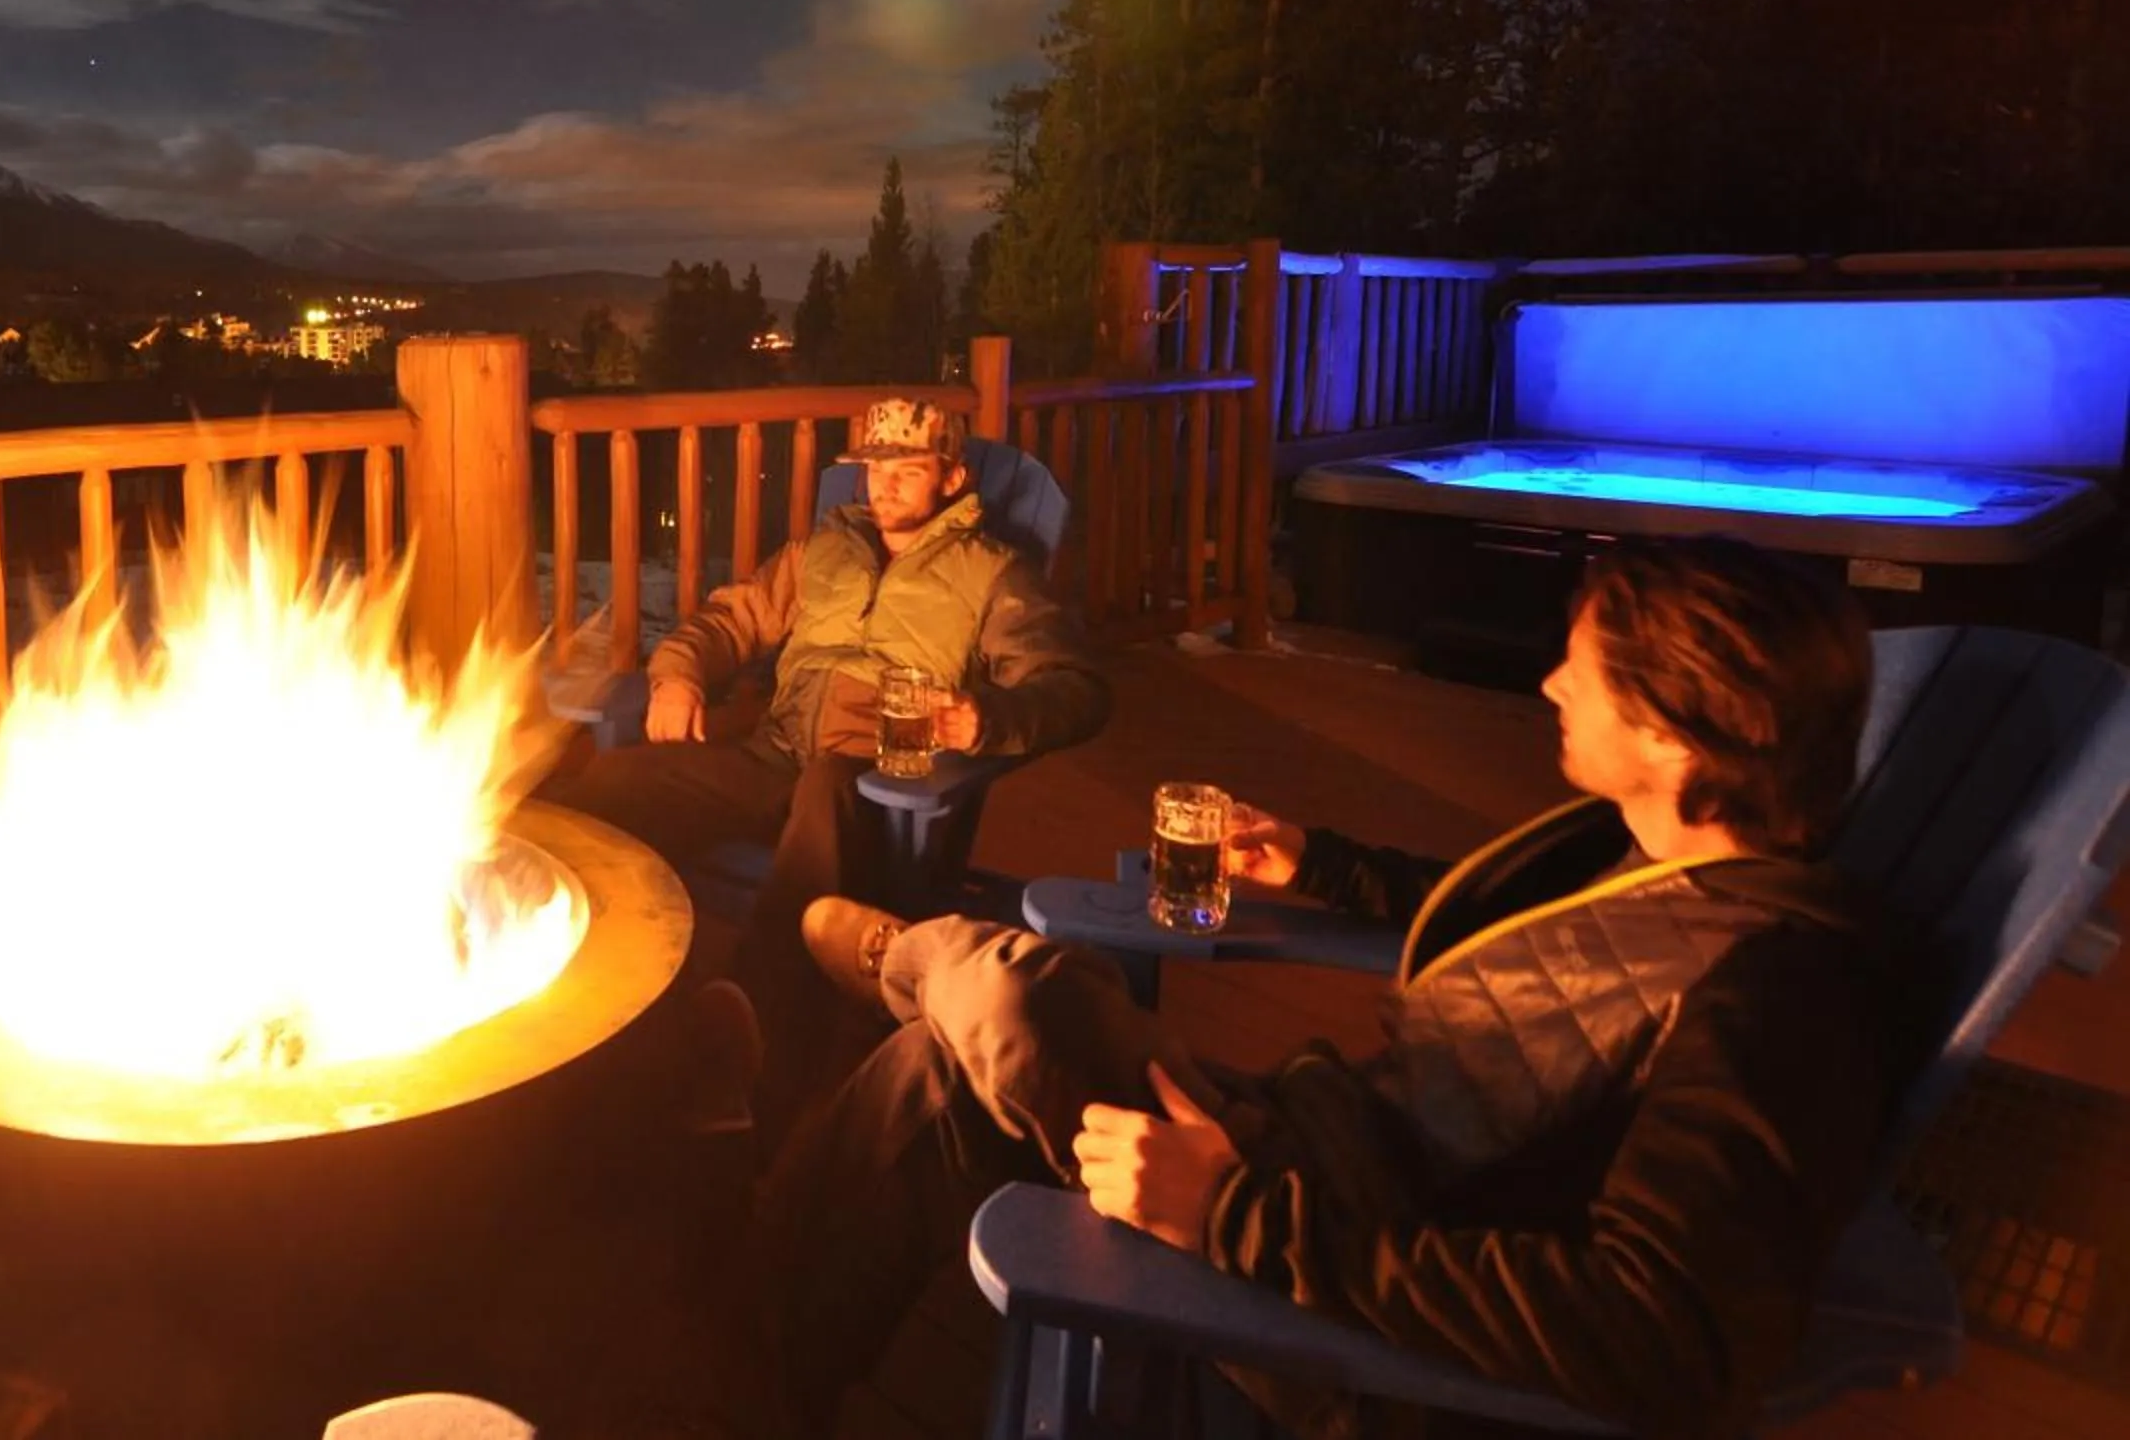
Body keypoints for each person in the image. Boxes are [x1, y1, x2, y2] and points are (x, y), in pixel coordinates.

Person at [744, 536, 1911, 1439]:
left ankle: (903, 956)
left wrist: (1236, 1218)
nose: (1551, 682)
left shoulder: (1779, 996)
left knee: (1014, 994)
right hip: (1318, 1153)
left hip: (1333, 1273)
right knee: (945, 1065)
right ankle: (761, 1363)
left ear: (1671, 734)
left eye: (1586, 669)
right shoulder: (1678, 859)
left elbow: (1667, 1333)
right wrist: (1318, 861)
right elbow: (1535, 935)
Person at [539, 396, 1109, 1036]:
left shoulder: (993, 574)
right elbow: (732, 620)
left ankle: (750, 1015)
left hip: (876, 784)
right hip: (774, 754)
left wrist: (991, 717)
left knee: (827, 783)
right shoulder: (827, 550)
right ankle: (572, 964)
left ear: (953, 478)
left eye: (909, 470)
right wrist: (678, 674)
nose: (885, 486)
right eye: (874, 468)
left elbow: (1074, 687)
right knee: (616, 781)